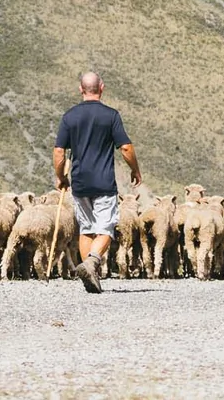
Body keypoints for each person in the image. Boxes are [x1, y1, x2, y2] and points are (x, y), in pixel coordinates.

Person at [52, 70, 141, 293]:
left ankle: (90, 277)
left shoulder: (69, 117)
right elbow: (126, 148)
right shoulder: (111, 116)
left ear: (81, 89)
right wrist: (135, 170)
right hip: (103, 183)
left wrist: (61, 177)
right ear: (101, 88)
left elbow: (59, 152)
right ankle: (92, 262)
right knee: (106, 228)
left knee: (87, 230)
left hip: (80, 183)